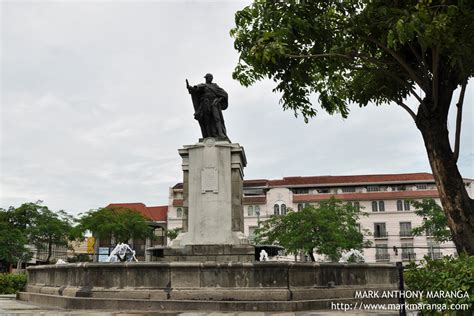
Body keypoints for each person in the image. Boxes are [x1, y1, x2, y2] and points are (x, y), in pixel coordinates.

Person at [186, 73, 228, 139]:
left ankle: (220, 133)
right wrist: (189, 87)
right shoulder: (203, 86)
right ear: (206, 78)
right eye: (209, 77)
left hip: (214, 104)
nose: (210, 79)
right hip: (206, 104)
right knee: (207, 120)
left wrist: (218, 100)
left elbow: (224, 94)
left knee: (217, 118)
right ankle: (209, 135)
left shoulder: (215, 86)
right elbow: (195, 89)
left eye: (211, 77)